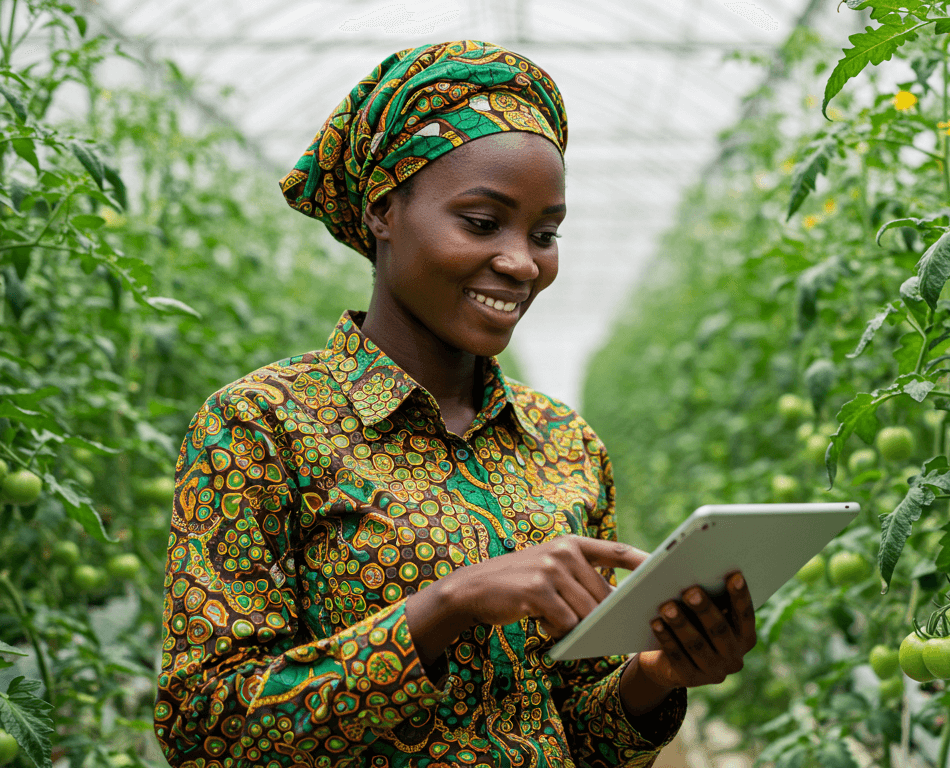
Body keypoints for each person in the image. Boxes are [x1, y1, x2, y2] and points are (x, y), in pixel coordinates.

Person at [155, 40, 756, 767]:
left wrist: (657, 675)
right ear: (383, 210)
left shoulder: (565, 442)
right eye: (480, 222)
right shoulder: (262, 425)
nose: (522, 262)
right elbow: (204, 729)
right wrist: (447, 605)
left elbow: (581, 735)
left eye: (544, 234)